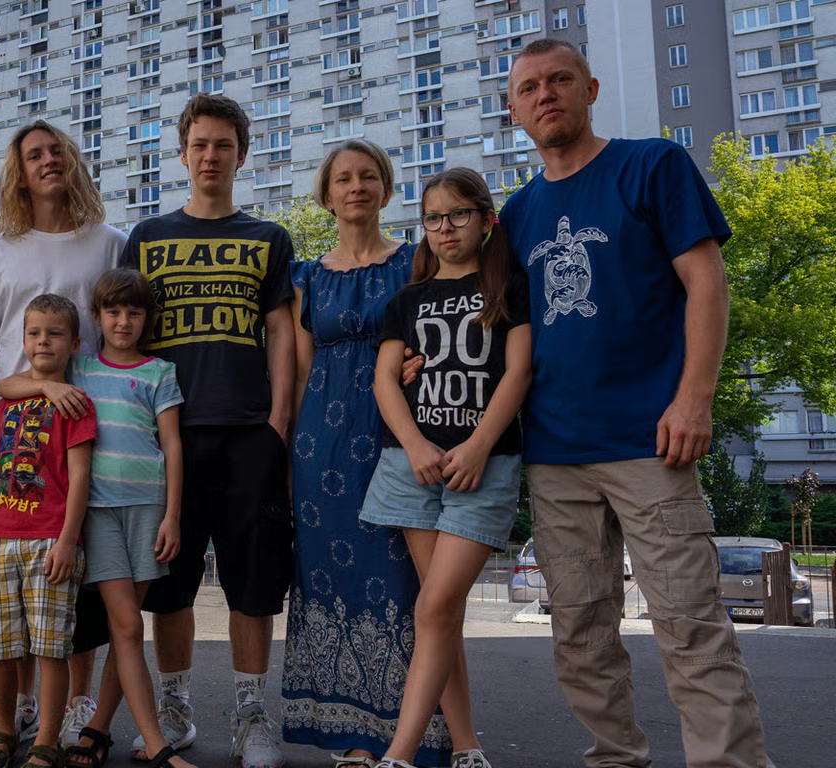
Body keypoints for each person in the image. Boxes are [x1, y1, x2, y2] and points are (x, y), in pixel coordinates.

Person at [500, 38, 774, 768]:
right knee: (581, 636)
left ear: (591, 88)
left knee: (690, 625)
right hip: (555, 454)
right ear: (514, 109)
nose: (545, 94)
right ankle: (616, 758)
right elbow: (498, 327)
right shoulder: (517, 212)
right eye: (529, 88)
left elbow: (707, 283)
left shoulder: (652, 165)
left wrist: (695, 399)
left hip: (652, 440)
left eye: (559, 80)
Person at [119, 93, 295, 768]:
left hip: (250, 428)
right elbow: (124, 331)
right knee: (170, 582)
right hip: (168, 436)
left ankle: (251, 712)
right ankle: (176, 706)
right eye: (200, 144)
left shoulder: (268, 238)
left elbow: (279, 329)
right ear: (184, 152)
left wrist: (280, 419)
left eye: (223, 145)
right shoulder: (149, 238)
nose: (211, 156)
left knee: (253, 581)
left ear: (241, 155)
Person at [279, 140, 455, 768]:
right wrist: (291, 458)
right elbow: (299, 376)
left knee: (403, 583)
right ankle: (351, 732)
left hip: (396, 434)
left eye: (368, 176)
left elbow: (446, 335)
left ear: (386, 187)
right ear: (326, 195)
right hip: (319, 448)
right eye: (343, 179)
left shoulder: (416, 261)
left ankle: (411, 733)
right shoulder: (306, 276)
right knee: (332, 580)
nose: (355, 187)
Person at [0, 119, 126, 749]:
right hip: (14, 421)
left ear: (72, 160)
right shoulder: (2, 249)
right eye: (34, 155)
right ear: (19, 172)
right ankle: (20, 708)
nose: (48, 160)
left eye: (56, 150)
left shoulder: (108, 241)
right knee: (8, 578)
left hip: (85, 424)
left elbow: (122, 329)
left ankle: (74, 707)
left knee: (69, 575)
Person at [362, 168, 531, 768]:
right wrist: (414, 446)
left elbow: (518, 372)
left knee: (434, 609)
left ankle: (399, 755)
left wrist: (480, 444)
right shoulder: (407, 299)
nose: (445, 228)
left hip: (482, 469)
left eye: (458, 215)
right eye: (433, 218)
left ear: (487, 220)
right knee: (443, 612)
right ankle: (466, 745)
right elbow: (385, 379)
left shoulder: (509, 285)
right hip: (412, 468)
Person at [0, 268, 195, 768]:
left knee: (126, 630)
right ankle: (157, 746)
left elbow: (172, 445)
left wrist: (173, 514)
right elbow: (8, 383)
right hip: (99, 513)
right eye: (113, 311)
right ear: (97, 318)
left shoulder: (159, 372)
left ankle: (98, 727)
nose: (123, 321)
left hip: (150, 509)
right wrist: (46, 389)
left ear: (147, 318)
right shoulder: (79, 368)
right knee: (126, 624)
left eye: (133, 312)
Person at [0, 293, 97, 768]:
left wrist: (68, 539)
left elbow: (80, 475)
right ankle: (4, 731)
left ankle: (45, 738)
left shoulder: (77, 404)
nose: (43, 341)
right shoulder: (9, 399)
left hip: (50, 540)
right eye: (34, 333)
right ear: (24, 340)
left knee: (49, 647)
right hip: (1, 537)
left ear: (74, 343)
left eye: (55, 333)